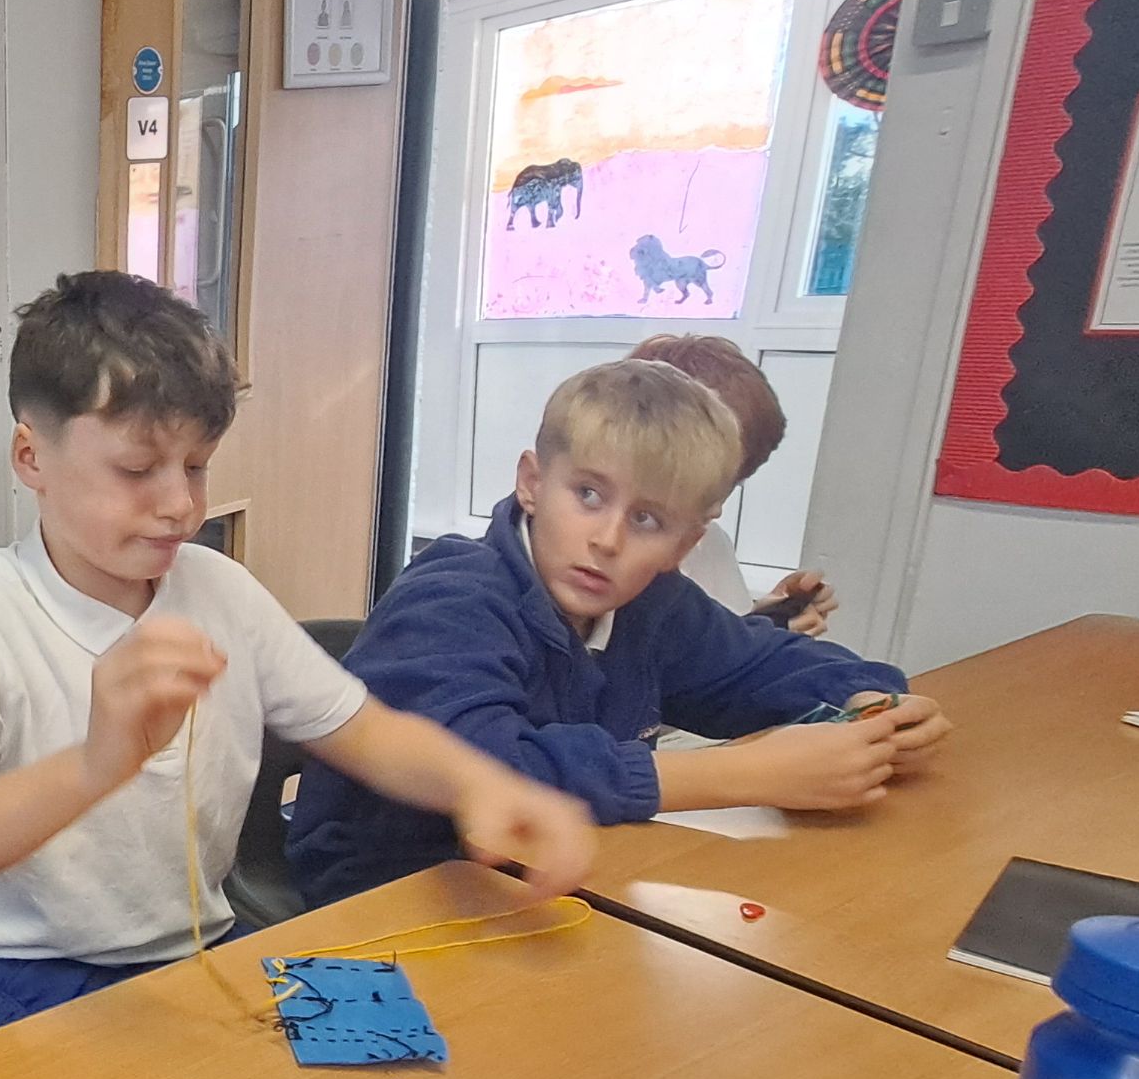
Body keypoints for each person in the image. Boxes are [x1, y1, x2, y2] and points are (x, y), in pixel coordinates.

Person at [0, 270, 596, 1053]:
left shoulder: (219, 590)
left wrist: (486, 787)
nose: (179, 505)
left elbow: (368, 734)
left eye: (196, 466)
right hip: (18, 978)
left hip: (203, 955)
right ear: (31, 455)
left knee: (424, 1051)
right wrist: (97, 762)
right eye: (137, 470)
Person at [288, 359, 953, 904]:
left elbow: (760, 664)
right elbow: (487, 770)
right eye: (588, 495)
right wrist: (739, 774)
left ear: (685, 543)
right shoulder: (452, 595)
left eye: (647, 520)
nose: (606, 540)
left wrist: (870, 701)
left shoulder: (654, 606)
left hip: (563, 872)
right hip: (392, 886)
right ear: (532, 483)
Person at [626, 334, 837, 635]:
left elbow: (716, 639)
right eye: (699, 485)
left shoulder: (710, 543)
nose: (717, 510)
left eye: (731, 486)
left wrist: (764, 620)